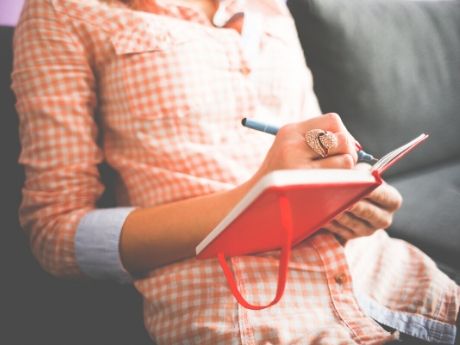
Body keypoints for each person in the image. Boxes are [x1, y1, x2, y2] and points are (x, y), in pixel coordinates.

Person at [12, 0, 459, 344]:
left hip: (378, 269)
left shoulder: (268, 6)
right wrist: (256, 198)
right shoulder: (64, 10)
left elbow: (312, 143)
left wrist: (344, 191)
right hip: (242, 303)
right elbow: (55, 234)